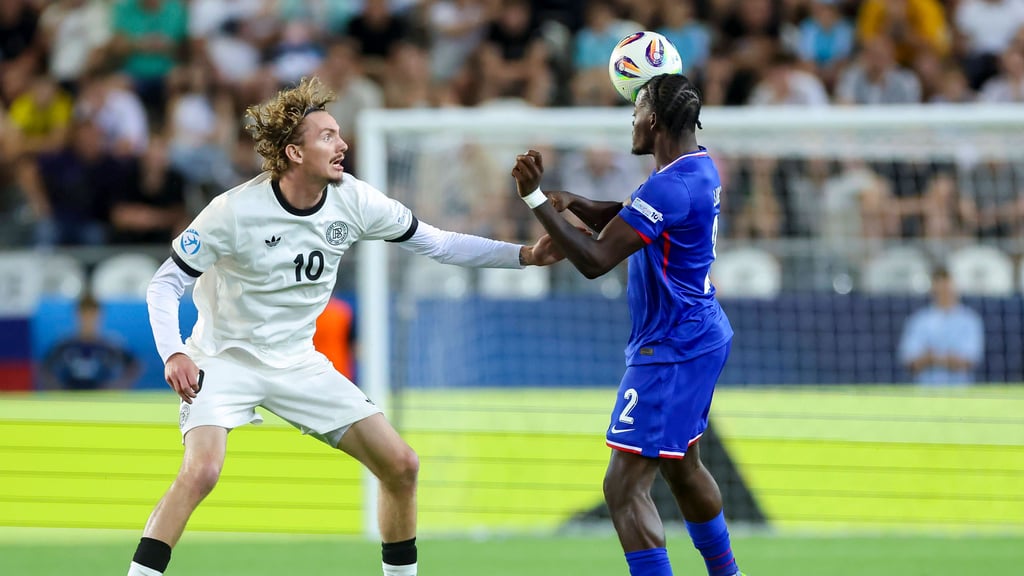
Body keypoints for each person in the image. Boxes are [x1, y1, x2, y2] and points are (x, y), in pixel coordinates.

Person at [128, 76, 563, 576]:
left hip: (299, 363)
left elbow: (438, 243)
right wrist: (175, 352)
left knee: (401, 466)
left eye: (340, 134)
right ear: (294, 152)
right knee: (201, 471)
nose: (344, 144)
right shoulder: (232, 211)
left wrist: (525, 255)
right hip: (222, 359)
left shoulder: (354, 199)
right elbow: (163, 285)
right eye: (328, 136)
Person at [511, 73, 742, 576]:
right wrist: (573, 202)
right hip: (700, 334)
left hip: (671, 347)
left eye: (634, 112)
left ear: (653, 119)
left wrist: (532, 200)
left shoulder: (670, 185)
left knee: (622, 487)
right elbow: (633, 218)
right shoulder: (696, 170)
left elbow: (596, 261)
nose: (630, 122)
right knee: (683, 465)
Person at [899, 267, 984, 385]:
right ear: (933, 288)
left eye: (947, 286)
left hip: (961, 394)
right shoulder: (918, 320)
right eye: (940, 286)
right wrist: (948, 358)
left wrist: (932, 358)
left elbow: (969, 361)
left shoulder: (970, 320)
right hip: (925, 394)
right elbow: (911, 362)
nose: (944, 291)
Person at [40, 294, 141, 391]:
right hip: (70, 399)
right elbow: (43, 367)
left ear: (100, 316)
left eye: (92, 315)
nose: (88, 320)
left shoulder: (111, 346)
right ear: (77, 315)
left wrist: (117, 387)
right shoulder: (64, 345)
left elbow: (134, 366)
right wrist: (56, 388)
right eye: (84, 315)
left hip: (101, 400)